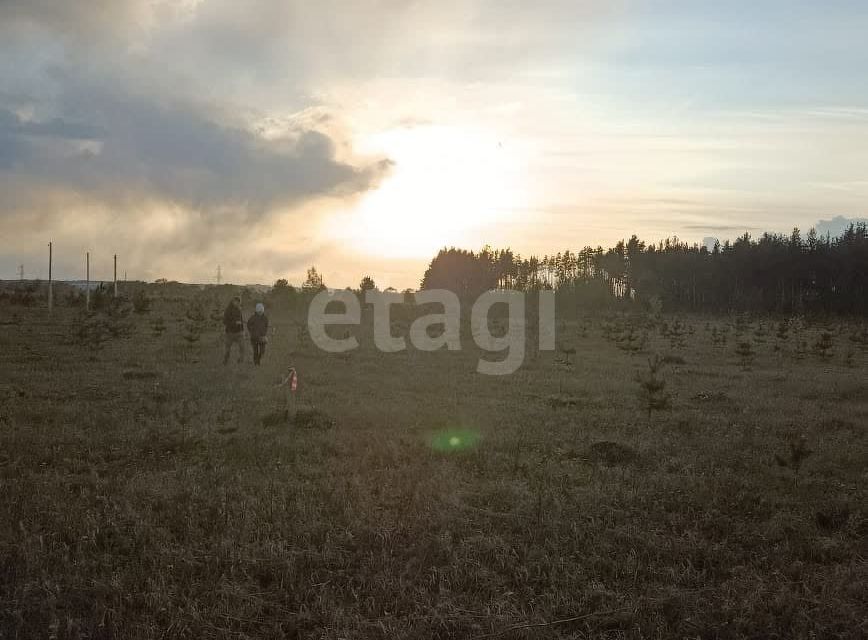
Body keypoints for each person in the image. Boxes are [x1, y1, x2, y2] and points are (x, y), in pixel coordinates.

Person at [222, 296, 245, 364]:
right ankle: (225, 361)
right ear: (233, 301)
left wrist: (242, 330)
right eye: (236, 302)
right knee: (227, 349)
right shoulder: (228, 310)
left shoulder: (239, 310)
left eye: (239, 302)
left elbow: (241, 320)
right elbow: (225, 321)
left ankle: (240, 361)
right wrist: (234, 323)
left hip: (239, 333)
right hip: (230, 333)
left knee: (242, 347)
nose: (238, 303)